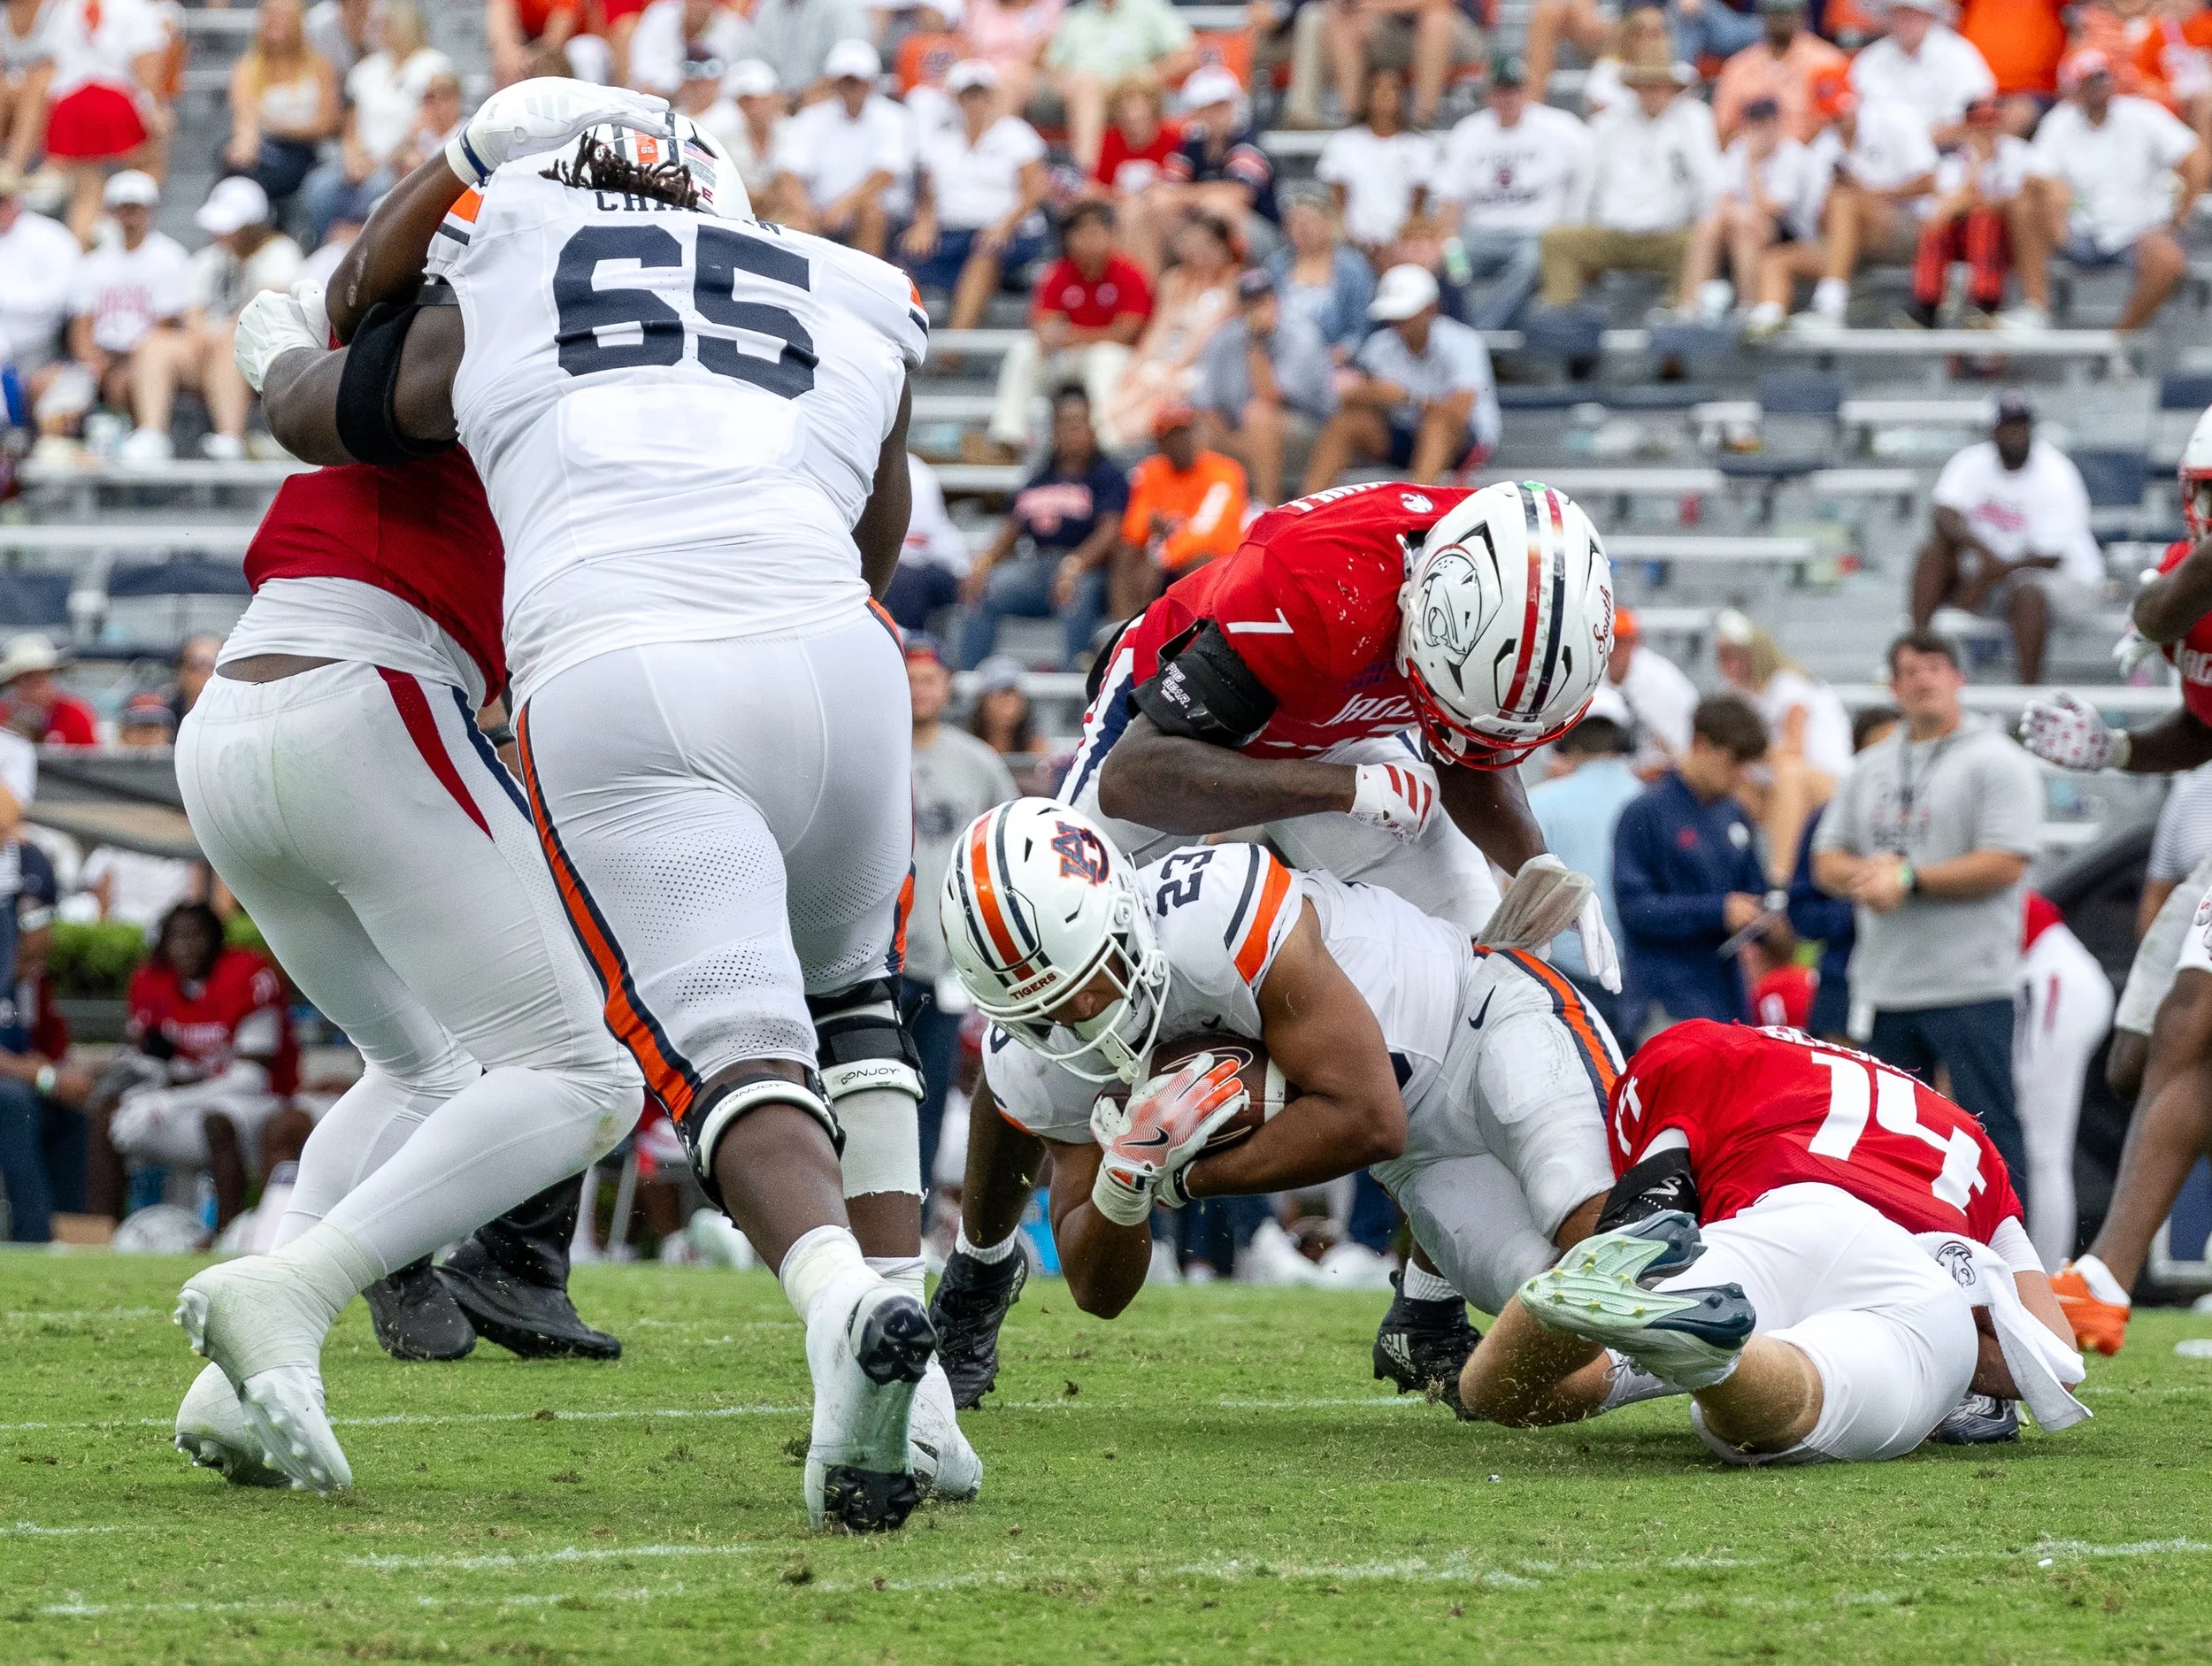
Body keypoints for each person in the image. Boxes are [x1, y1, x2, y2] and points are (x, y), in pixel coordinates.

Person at [248, 82, 966, 1530]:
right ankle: (921, 1387)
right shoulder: (854, 285)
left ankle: (840, 1309)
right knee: (859, 1011)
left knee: (718, 1053)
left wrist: (433, 184)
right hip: (841, 657)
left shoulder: (512, 247)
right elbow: (873, 540)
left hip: (624, 652)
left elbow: (321, 387)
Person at [930, 480, 1622, 1409]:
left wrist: (1535, 864)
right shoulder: (1315, 590)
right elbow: (1140, 777)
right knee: (1052, 985)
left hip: (1341, 735)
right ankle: (977, 1274)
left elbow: (1469, 749)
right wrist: (1337, 792)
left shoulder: (1505, 583)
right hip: (1176, 749)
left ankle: (1425, 1304)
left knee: (1470, 982)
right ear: (1430, 607)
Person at [948, 801, 1620, 1391]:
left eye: (1095, 977)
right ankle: (1696, 1368)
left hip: (1485, 1020)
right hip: (1422, 1159)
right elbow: (1097, 1291)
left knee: (1599, 1228)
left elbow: (1367, 1117)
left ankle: (1718, 1272)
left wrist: (1183, 1183)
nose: (1086, 1015)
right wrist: (1124, 1183)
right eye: (1048, 1012)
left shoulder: (1216, 913)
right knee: (1561, 1312)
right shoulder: (1039, 1055)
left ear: (1123, 910)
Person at [1463, 1021, 2085, 1463]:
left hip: (1766, 1228)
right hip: (1910, 1275)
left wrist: (1633, 1234)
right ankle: (1711, 1357)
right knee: (1796, 1401)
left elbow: (1656, 1194)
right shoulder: (1966, 1138)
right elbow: (2053, 1359)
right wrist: (1960, 1378)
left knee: (1508, 1395)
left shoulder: (1711, 1050)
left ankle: (1607, 1305)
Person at [2015, 416, 2212, 1351]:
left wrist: (2160, 607)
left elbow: (2160, 613)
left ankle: (2104, 1275)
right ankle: (2103, 1276)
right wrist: (2120, 748)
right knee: (2146, 1048)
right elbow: (2198, 715)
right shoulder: (2190, 569)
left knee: (2191, 1016)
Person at [1813, 630, 2041, 1186]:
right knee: (1891, 1146)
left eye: (1934, 667)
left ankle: (2016, 1266)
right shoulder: (1871, 767)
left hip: (1971, 985)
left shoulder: (1997, 761)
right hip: (1887, 987)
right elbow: (1825, 860)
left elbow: (2006, 862)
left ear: (1958, 678)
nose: (1922, 681)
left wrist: (1910, 879)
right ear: (1893, 687)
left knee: (1989, 1137)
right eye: (1909, 672)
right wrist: (1869, 875)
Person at [86, 902, 296, 1235]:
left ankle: (226, 1236)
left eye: (195, 936)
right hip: (189, 1099)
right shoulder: (154, 983)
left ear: (216, 939)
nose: (185, 947)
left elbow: (251, 1078)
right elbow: (145, 1057)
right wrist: (142, 1081)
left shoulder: (246, 976)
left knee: (217, 1121)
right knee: (106, 1115)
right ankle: (102, 1233)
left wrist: (170, 1100)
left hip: (255, 1102)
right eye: (176, 938)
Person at [902, 638, 1018, 1201]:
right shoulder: (873, 751)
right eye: (911, 676)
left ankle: (914, 1229)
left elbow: (1013, 847)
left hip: (946, 964)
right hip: (872, 958)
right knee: (852, 1093)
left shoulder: (977, 763)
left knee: (926, 1101)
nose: (920, 689)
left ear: (948, 687)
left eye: (930, 679)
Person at [1612, 695, 1793, 1029]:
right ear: (1701, 744)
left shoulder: (1734, 814)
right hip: (1664, 1002)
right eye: (1733, 762)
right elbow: (1635, 908)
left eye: (1747, 765)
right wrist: (1719, 911)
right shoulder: (1644, 812)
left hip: (1727, 1003)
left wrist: (1771, 921)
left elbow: (1755, 891)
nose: (1741, 775)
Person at [1911, 390, 2103, 686]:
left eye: (2022, 426)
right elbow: (1942, 513)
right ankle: (1917, 654)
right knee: (1932, 554)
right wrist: (1980, 553)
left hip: (2065, 579)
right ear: (1994, 431)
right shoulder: (1971, 462)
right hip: (1994, 576)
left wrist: (1979, 584)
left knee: (2027, 591)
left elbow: (2049, 556)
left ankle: (2026, 693)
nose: (2016, 434)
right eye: (2008, 426)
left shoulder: (2056, 473)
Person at [2016, 47, 2208, 334]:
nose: (2100, 85)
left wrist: (2179, 216)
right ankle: (2036, 307)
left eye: (2103, 77)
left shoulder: (2141, 114)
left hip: (2137, 233)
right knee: (2025, 205)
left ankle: (2118, 340)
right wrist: (2053, 190)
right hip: (2079, 231)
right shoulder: (2059, 122)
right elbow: (2033, 177)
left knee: (2168, 260)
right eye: (2091, 79)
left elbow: (2194, 157)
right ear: (2074, 87)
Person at [125, 175, 301, 464]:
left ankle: (229, 436)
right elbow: (192, 311)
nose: (220, 234)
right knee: (154, 345)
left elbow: (262, 305)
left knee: (230, 344)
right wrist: (202, 334)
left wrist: (220, 335)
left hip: (264, 355)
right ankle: (152, 434)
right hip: (211, 346)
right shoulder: (209, 258)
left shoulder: (280, 252)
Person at [1539, 48, 1720, 311]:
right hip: (1613, 233)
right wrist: (1584, 223)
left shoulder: (1693, 121)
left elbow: (1709, 182)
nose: (1652, 93)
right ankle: (1566, 325)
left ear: (1672, 89)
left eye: (1659, 86)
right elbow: (1587, 184)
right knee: (1557, 241)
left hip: (1668, 235)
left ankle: (1679, 323)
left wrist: (1703, 226)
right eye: (1645, 86)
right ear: (1634, 89)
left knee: (1696, 246)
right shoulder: (1608, 124)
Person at [1756, 74, 1937, 334]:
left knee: (1845, 201)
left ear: (1857, 101)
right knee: (1777, 259)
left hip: (1909, 230)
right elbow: (1817, 220)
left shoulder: (1895, 121)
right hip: (1850, 243)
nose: (1838, 121)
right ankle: (1767, 320)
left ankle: (1830, 306)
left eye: (1842, 112)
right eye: (1831, 115)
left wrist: (1868, 192)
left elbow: (1930, 182)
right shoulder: (1823, 147)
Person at [963, 388, 1125, 667]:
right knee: (982, 588)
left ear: (1092, 428)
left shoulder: (1107, 476)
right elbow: (1012, 528)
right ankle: (967, 682)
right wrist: (985, 561)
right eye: (1066, 423)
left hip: (1088, 572)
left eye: (1080, 423)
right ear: (1054, 430)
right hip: (1038, 568)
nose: (1073, 431)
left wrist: (1075, 564)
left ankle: (1074, 691)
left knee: (1078, 593)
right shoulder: (1039, 477)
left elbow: (1110, 532)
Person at [1302, 264, 1499, 493]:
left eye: (1405, 315)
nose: (1398, 324)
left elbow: (1460, 412)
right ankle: (1302, 512)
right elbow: (1345, 399)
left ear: (1430, 309)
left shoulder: (1463, 342)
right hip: (1404, 436)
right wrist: (1373, 394)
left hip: (1461, 441)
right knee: (1345, 422)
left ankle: (1415, 508)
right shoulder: (1380, 345)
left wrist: (1407, 397)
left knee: (1437, 424)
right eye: (1393, 316)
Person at [1434, 54, 1593, 332]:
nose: (1508, 97)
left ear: (1527, 90)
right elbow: (1449, 206)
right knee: (1444, 263)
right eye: (1501, 89)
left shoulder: (1560, 129)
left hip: (1537, 235)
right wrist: (1453, 258)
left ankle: (1478, 333)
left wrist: (1570, 228)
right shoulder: (1469, 133)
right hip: (1480, 237)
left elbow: (1589, 178)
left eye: (1514, 89)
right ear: (1488, 93)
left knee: (1532, 260)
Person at [985, 198, 1151, 456]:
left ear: (1111, 234)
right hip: (1068, 356)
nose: (1088, 240)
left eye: (1096, 232)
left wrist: (1072, 336)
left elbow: (1127, 332)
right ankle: (1008, 436)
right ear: (1069, 238)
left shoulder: (1130, 274)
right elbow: (1043, 327)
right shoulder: (1058, 274)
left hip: (1116, 358)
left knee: (1105, 357)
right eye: (1081, 232)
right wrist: (1067, 338)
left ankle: (1107, 442)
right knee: (1024, 351)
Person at [902, 60, 1048, 333]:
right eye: (968, 94)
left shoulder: (1015, 133)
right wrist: (924, 222)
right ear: (956, 99)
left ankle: (954, 349)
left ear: (992, 97)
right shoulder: (942, 140)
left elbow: (1036, 188)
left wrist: (1004, 226)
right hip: (953, 231)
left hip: (1010, 230)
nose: (975, 101)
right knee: (905, 257)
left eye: (981, 93)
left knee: (985, 253)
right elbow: (927, 192)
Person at [1714, 608, 1851, 885]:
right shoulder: (1734, 694)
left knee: (1788, 775)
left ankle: (1780, 881)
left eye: (1733, 654)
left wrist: (1743, 753)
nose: (1726, 663)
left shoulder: (1789, 686)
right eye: (1721, 655)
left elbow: (1793, 749)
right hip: (1778, 782)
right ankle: (1728, 877)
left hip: (1828, 782)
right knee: (1728, 783)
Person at [2014, 893, 2114, 1268]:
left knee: (2042, 1148)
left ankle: (2044, 1276)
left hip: (2052, 977)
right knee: (2043, 1149)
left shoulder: (1955, 864)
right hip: (2050, 975)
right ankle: (2045, 1274)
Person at [301, 1, 452, 248]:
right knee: (318, 188)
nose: (380, 30)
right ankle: (327, 251)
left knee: (379, 190)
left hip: (401, 161)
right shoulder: (367, 68)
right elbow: (351, 121)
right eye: (378, 25)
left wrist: (381, 162)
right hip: (361, 159)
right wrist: (353, 157)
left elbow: (427, 124)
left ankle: (370, 253)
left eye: (387, 24)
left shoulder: (433, 65)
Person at [0, 850, 93, 1245]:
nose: (35, 967)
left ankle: (72, 1229)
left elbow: (51, 1054)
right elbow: (38, 1073)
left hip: (24, 1084)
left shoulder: (33, 987)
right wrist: (44, 1076)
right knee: (16, 1103)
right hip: (14, 1091)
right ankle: (34, 1237)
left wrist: (62, 1076)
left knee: (72, 1116)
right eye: (29, 956)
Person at [1528, 715, 1641, 1033]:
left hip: (1569, 972)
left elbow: (1520, 888)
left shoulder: (1544, 801)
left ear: (1572, 751)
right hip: (1642, 971)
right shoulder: (1652, 801)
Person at [58, 171, 191, 437]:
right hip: (101, 354)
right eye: (124, 208)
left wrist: (120, 361)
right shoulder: (93, 263)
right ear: (112, 212)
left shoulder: (169, 257)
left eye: (136, 208)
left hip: (143, 355)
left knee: (126, 381)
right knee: (58, 391)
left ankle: (141, 437)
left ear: (149, 211)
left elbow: (166, 323)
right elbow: (82, 323)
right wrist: (91, 359)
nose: (130, 216)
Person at [1194, 265, 1333, 508]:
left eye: (1263, 300)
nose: (1257, 309)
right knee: (1194, 430)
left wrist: (1257, 343)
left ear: (1275, 300)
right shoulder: (1224, 338)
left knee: (1259, 414)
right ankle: (1205, 521)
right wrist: (1229, 441)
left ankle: (1266, 506)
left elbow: (1270, 396)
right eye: (1250, 303)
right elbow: (1207, 403)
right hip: (1241, 433)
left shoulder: (1301, 334)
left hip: (1306, 430)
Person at [1099, 210, 1237, 451]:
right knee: (1134, 378)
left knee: (1166, 384)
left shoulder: (1232, 282)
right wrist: (1139, 362)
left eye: (1205, 245)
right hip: (1170, 356)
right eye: (1192, 244)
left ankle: (1117, 437)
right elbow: (1159, 328)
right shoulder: (1174, 280)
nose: (1197, 252)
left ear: (1222, 247)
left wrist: (1175, 366)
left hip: (1206, 363)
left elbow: (1207, 332)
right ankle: (1107, 429)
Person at [1678, 96, 1822, 327]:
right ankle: (1690, 304)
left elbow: (1774, 209)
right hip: (1747, 222)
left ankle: (1749, 304)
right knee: (1707, 227)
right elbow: (1724, 198)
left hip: (1792, 234)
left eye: (1765, 124)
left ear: (1777, 124)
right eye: (1754, 125)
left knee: (1745, 227)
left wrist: (1753, 165)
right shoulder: (1739, 148)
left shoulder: (1793, 154)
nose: (1759, 132)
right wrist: (1732, 214)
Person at [40, 0, 172, 244]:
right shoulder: (135, 8)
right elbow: (146, 65)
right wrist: (156, 110)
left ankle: (83, 244)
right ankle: (114, 222)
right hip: (114, 101)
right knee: (151, 161)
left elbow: (50, 65)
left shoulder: (64, 8)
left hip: (70, 106)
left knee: (86, 193)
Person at [772, 39, 915, 259]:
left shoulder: (892, 117)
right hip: (820, 213)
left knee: (871, 214)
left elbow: (885, 174)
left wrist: (842, 208)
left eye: (856, 81)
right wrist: (806, 211)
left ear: (870, 83)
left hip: (869, 215)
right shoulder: (813, 117)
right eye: (845, 81)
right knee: (790, 223)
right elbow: (787, 172)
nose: (851, 88)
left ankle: (866, 288)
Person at [1905, 94, 2034, 327]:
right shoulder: (1955, 159)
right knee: (1938, 228)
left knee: (1983, 219)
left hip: (2012, 241)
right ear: (1967, 126)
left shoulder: (2019, 153)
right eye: (1978, 123)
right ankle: (1926, 306)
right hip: (1965, 242)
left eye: (1991, 122)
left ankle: (1986, 302)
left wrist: (1974, 198)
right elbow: (1940, 211)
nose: (1985, 130)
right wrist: (1976, 171)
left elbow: (2018, 203)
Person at [1110, 403, 1248, 614]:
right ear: (1160, 443)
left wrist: (1161, 556)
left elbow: (1206, 532)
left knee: (1200, 562)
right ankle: (1124, 632)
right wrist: (1152, 526)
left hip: (1214, 564)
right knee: (1126, 553)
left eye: (1187, 432)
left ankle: (1195, 639)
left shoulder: (1225, 472)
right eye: (1174, 436)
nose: (1183, 441)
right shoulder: (1150, 471)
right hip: (1164, 561)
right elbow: (1134, 527)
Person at [1043, 0, 1196, 173]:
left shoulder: (1150, 8)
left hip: (1131, 88)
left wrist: (1146, 76)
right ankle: (1085, 173)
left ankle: (1084, 174)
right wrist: (1067, 84)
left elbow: (1187, 54)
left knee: (1100, 88)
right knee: (1086, 85)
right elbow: (1052, 65)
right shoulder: (1077, 16)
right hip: (1082, 92)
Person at [224, 0, 342, 219]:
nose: (275, 22)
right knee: (234, 161)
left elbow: (328, 123)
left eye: (282, 16)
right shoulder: (246, 68)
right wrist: (244, 144)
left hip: (307, 150)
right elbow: (244, 116)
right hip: (265, 149)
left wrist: (277, 128)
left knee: (255, 175)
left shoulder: (320, 67)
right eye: (269, 15)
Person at [1315, 61, 1436, 262]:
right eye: (1377, 87)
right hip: (1352, 245)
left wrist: (1396, 246)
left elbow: (1418, 210)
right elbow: (1337, 207)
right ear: (1365, 94)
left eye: (1393, 88)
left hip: (1403, 245)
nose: (1384, 93)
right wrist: (1356, 242)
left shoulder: (1420, 146)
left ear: (1403, 96)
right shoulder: (1343, 143)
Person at [1155, 65, 1278, 243]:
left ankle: (1236, 270)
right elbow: (1167, 188)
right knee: (1156, 209)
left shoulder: (1247, 143)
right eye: (1208, 108)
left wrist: (1181, 197)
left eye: (1221, 106)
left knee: (1219, 207)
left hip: (1262, 235)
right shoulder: (1192, 143)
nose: (1215, 115)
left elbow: (1239, 194)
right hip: (1205, 227)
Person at [1849, 0, 1996, 141]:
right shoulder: (1871, 58)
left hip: (1950, 153)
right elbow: (1854, 110)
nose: (1906, 22)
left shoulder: (1958, 52)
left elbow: (1976, 110)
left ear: (1929, 15)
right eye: (1900, 14)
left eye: (1913, 14)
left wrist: (1920, 148)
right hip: (1883, 155)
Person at [1265, 183, 1377, 365]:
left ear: (1328, 223)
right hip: (1283, 357)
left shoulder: (1353, 268)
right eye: (1295, 223)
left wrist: (1336, 355)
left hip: (1336, 360)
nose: (1302, 229)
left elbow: (1361, 327)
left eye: (1309, 222)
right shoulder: (1276, 265)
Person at [1710, 0, 1849, 144]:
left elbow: (1840, 124)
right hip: (1752, 156)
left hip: (1810, 155)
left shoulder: (1828, 61)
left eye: (1787, 13)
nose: (1781, 19)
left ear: (1802, 16)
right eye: (1775, 13)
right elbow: (1723, 130)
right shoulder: (1739, 66)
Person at [0, 169, 83, 398]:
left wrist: (5, 299)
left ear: (16, 199)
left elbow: (58, 298)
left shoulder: (50, 237)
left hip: (40, 349)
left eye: (3, 199)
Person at [1595, 605, 1697, 772]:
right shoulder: (1594, 676)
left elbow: (1683, 754)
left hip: (1654, 779)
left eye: (1618, 641)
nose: (1611, 650)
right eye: (1606, 641)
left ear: (1634, 642)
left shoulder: (1662, 684)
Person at [967, 656, 1054, 792]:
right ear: (983, 701)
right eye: (999, 696)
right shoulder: (968, 743)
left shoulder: (1035, 745)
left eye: (1014, 696)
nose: (1007, 705)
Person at [0, 633, 98, 746]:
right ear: (14, 683)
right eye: (28, 678)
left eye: (43, 676)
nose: (37, 686)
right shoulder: (2, 718)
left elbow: (89, 760)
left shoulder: (74, 715)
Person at [167, 634, 222, 726]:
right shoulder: (165, 716)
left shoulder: (241, 715)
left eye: (213, 665)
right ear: (181, 671)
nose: (205, 673)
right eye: (197, 665)